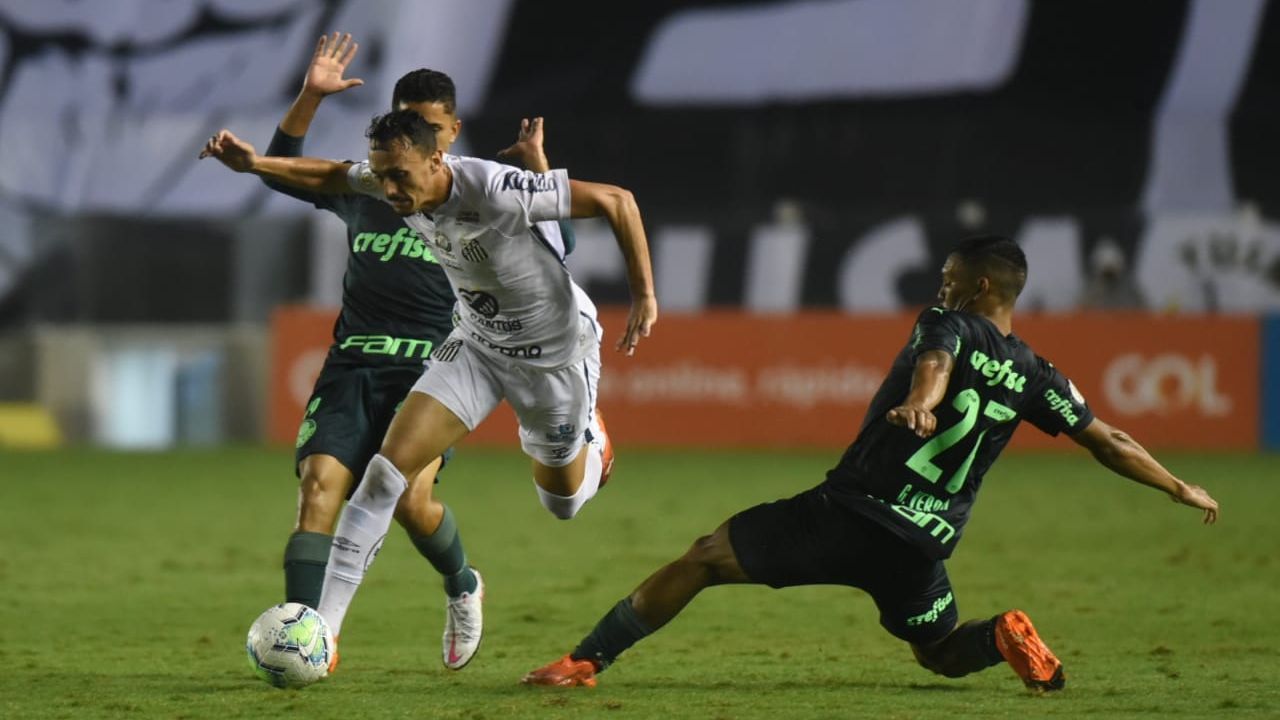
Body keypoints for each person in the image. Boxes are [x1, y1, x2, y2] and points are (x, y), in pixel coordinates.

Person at [521, 235, 1218, 692]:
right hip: (921, 546)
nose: (940, 288)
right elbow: (1110, 440)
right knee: (942, 651)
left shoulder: (946, 323)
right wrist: (1177, 484)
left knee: (705, 557)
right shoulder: (1039, 374)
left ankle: (586, 659)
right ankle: (1002, 633)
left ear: (977, 289)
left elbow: (937, 364)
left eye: (949, 279)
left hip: (849, 514)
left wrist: (921, 401)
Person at [201, 107, 656, 671]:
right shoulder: (390, 178)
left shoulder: (493, 187)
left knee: (562, 501)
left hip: (552, 359)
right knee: (383, 476)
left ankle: (595, 446)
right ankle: (324, 635)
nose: (389, 189)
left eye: (400, 177)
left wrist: (644, 295)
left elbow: (618, 201)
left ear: (437, 159)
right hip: (476, 346)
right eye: (381, 175)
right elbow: (327, 176)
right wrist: (253, 165)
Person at [262, 33, 576, 671]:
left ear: (450, 132)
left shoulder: (478, 194)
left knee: (408, 501)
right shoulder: (371, 188)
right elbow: (281, 166)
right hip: (352, 363)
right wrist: (310, 97)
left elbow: (560, 241)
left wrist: (541, 168)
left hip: (432, 370)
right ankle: (311, 639)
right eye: (402, 125)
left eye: (425, 128)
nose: (410, 139)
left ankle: (462, 581)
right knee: (319, 490)